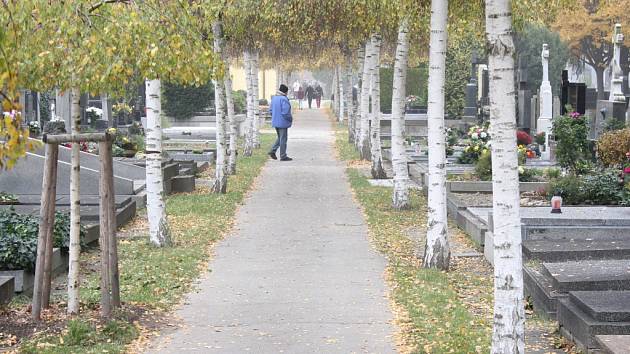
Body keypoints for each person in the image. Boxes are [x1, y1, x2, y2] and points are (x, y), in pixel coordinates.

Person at [269, 84, 293, 161]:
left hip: (275, 121)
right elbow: (286, 112)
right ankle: (283, 156)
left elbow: (270, 110)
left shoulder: (274, 98)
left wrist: (274, 117)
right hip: (282, 122)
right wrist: (290, 119)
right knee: (283, 139)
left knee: (280, 138)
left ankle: (272, 151)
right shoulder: (284, 99)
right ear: (285, 92)